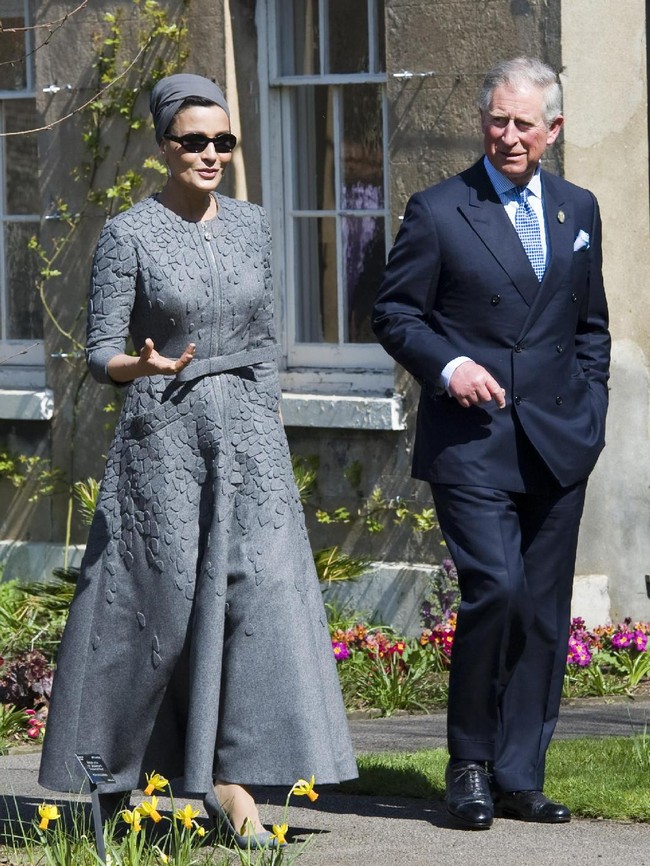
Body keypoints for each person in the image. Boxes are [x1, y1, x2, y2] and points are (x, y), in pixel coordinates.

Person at [39, 73, 357, 848]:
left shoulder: (253, 226)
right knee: (155, 610)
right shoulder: (129, 233)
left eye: (224, 141)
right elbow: (96, 355)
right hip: (164, 441)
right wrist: (139, 369)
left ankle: (233, 787)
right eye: (194, 142)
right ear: (163, 148)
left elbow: (266, 342)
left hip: (249, 439)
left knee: (257, 603)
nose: (211, 153)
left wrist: (271, 430)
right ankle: (109, 786)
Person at [372, 57, 609, 830]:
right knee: (497, 590)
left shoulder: (579, 210)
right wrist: (450, 365)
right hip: (472, 443)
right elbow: (397, 315)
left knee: (542, 613)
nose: (507, 136)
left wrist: (592, 408)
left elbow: (590, 328)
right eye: (496, 120)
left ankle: (519, 775)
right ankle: (468, 764)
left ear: (553, 131)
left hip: (559, 443)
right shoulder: (440, 209)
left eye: (523, 124)